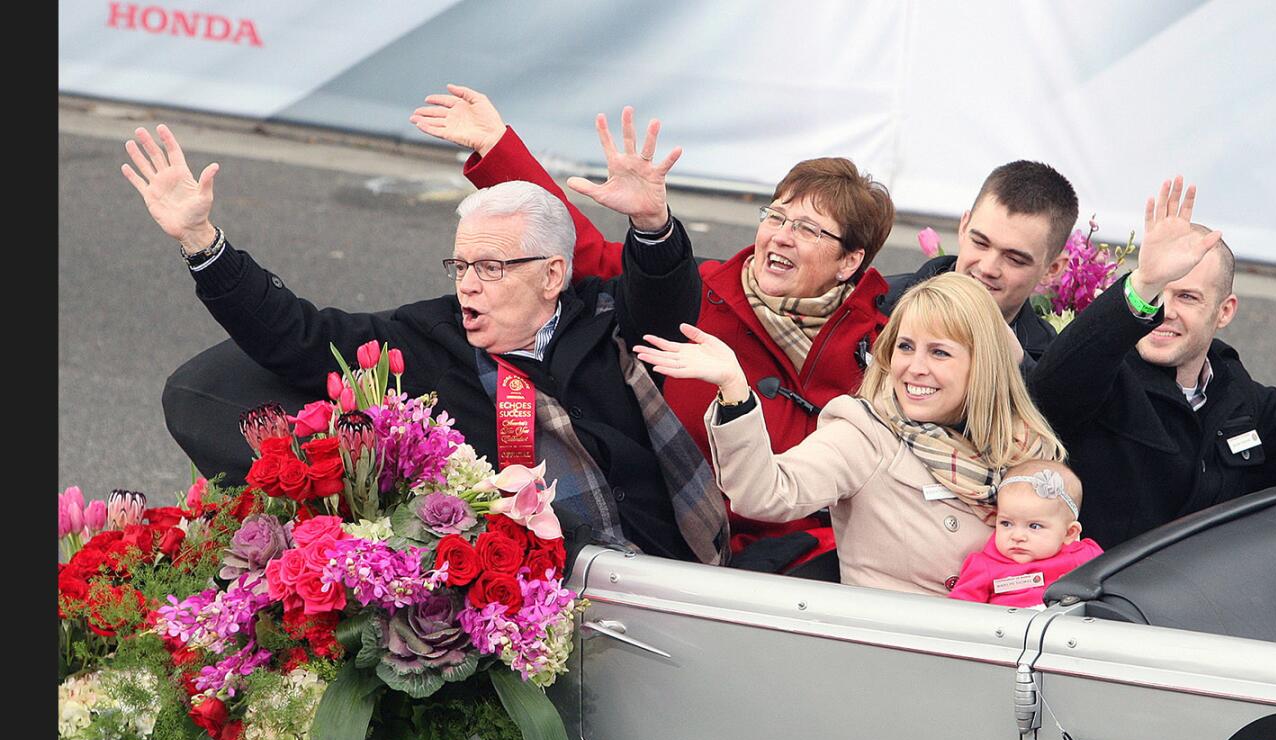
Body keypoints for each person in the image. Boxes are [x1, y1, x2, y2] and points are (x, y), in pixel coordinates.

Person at [121, 117, 730, 566]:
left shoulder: (603, 317)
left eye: (491, 268)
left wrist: (652, 226)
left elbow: (664, 303)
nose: (469, 286)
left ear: (551, 275)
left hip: (669, 565)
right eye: (460, 266)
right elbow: (298, 337)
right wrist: (203, 243)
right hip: (541, 591)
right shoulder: (426, 341)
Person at [412, 85, 897, 571]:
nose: (781, 236)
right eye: (776, 215)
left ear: (850, 260)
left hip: (818, 560)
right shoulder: (695, 290)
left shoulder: (881, 344)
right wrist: (499, 148)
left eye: (808, 229)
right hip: (692, 544)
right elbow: (579, 253)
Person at [632, 272, 1064, 595]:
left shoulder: (1028, 449)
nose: (914, 367)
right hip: (892, 663)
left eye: (940, 352)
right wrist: (734, 391)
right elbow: (765, 492)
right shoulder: (865, 433)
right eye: (906, 346)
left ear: (982, 365)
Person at [1029, 175, 1276, 549]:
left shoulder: (1238, 399)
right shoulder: (1105, 378)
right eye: (1157, 294)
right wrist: (1142, 283)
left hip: (1203, 601)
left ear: (1224, 311)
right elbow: (1049, 392)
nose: (1164, 311)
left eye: (1187, 297)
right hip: (1104, 602)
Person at [881, 160, 1079, 373]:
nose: (987, 268)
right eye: (980, 243)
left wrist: (1021, 371)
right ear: (964, 226)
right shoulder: (878, 304)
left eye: (1014, 259)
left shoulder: (1051, 365)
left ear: (1052, 270)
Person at [945, 460, 1102, 608]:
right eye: (1006, 523)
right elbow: (959, 613)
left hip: (1067, 628)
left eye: (1034, 526)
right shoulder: (984, 566)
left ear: (1069, 533)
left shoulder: (1085, 555)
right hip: (1009, 631)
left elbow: (1113, 589)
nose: (1017, 536)